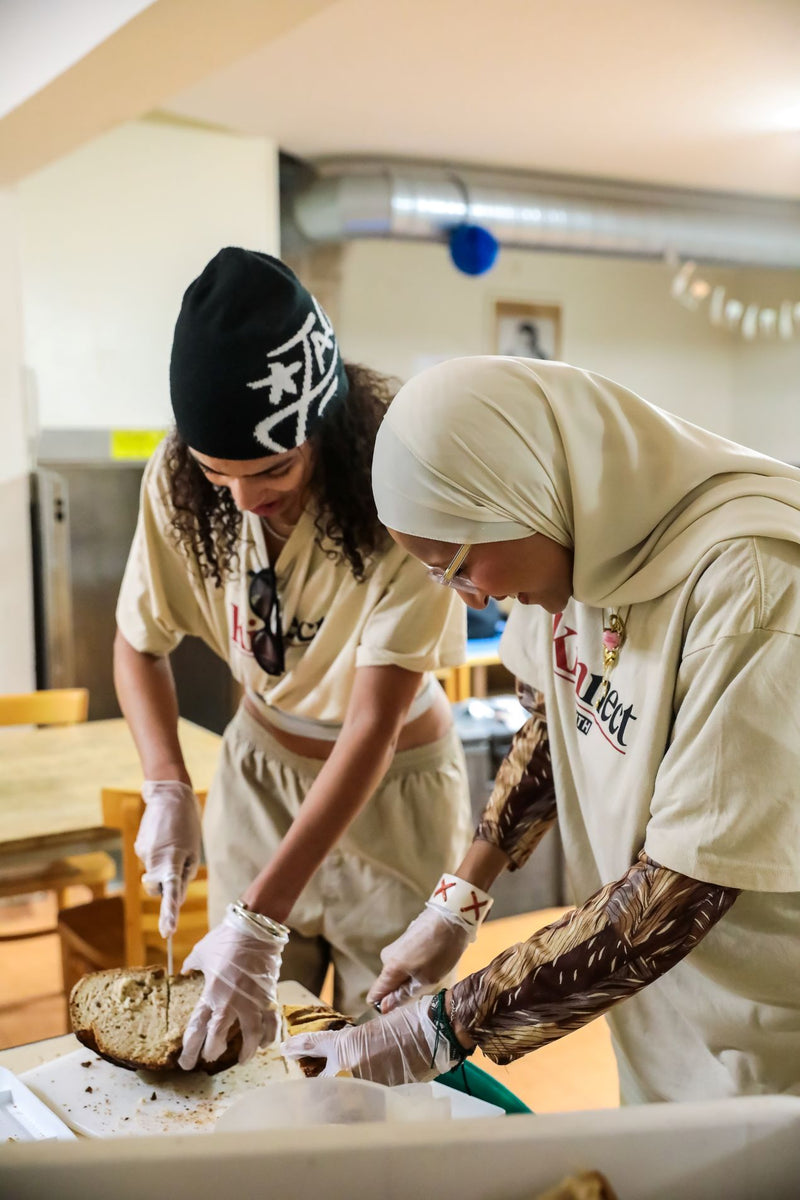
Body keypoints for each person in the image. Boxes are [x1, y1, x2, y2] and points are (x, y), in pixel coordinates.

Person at [284, 354, 800, 1103]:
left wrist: (443, 1026)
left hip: (765, 1025)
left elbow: (679, 893)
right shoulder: (581, 543)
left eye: (458, 566)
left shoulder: (752, 588)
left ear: (522, 494)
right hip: (655, 1005)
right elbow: (558, 726)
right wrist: (458, 900)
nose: (468, 598)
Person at [114, 250, 473, 1069]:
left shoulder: (401, 490)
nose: (244, 499)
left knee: (386, 1059)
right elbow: (137, 643)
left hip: (393, 795)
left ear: (324, 427)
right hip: (258, 780)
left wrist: (257, 919)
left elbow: (374, 725)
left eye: (273, 468)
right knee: (240, 1053)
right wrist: (166, 782)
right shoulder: (176, 483)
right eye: (218, 473)